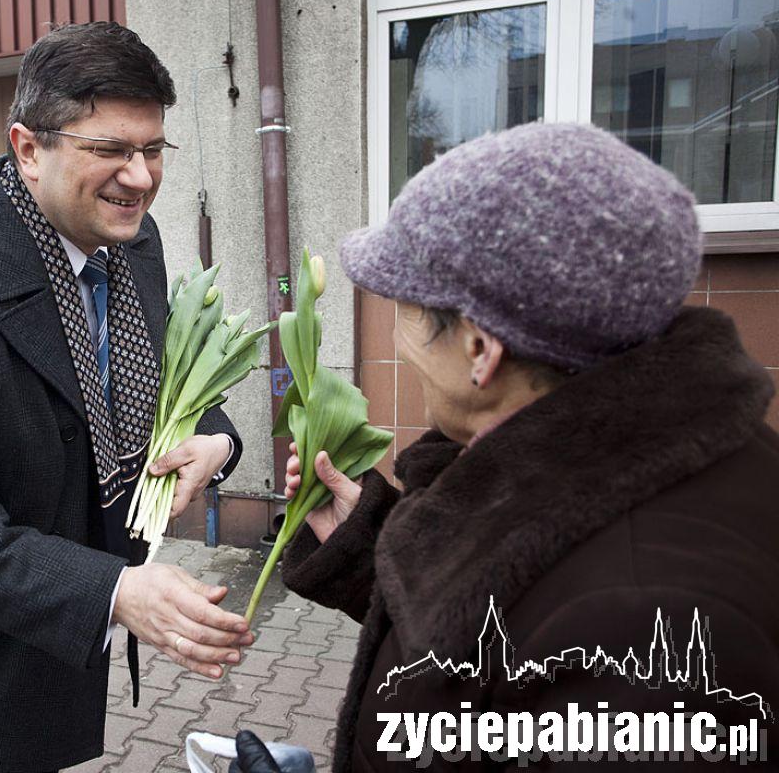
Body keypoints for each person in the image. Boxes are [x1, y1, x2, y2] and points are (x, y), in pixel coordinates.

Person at [273, 123, 779, 771]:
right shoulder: (646, 461)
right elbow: (510, 624)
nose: (397, 335)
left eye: (403, 304)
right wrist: (371, 548)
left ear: (480, 349)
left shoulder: (644, 635)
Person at [0, 22, 253, 773]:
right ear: (28, 148)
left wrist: (217, 441)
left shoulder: (133, 239)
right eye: (109, 150)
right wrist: (115, 592)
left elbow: (162, 379)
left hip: (63, 640)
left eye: (154, 149)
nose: (139, 177)